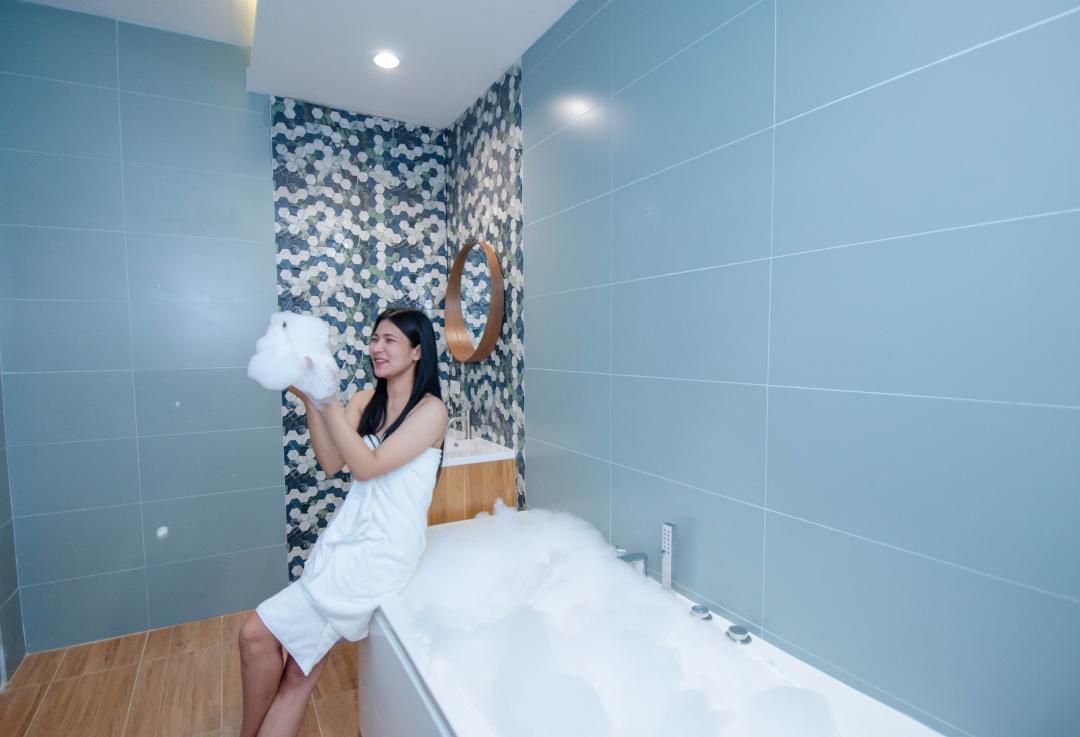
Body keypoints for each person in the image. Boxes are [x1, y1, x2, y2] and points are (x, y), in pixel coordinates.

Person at [237, 307, 449, 737]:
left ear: (417, 351)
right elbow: (332, 461)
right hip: (347, 541)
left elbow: (367, 467)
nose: (377, 348)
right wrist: (312, 400)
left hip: (380, 553)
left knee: (256, 635)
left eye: (389, 340)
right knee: (296, 674)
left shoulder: (431, 412)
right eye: (374, 338)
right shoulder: (365, 402)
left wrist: (327, 399)